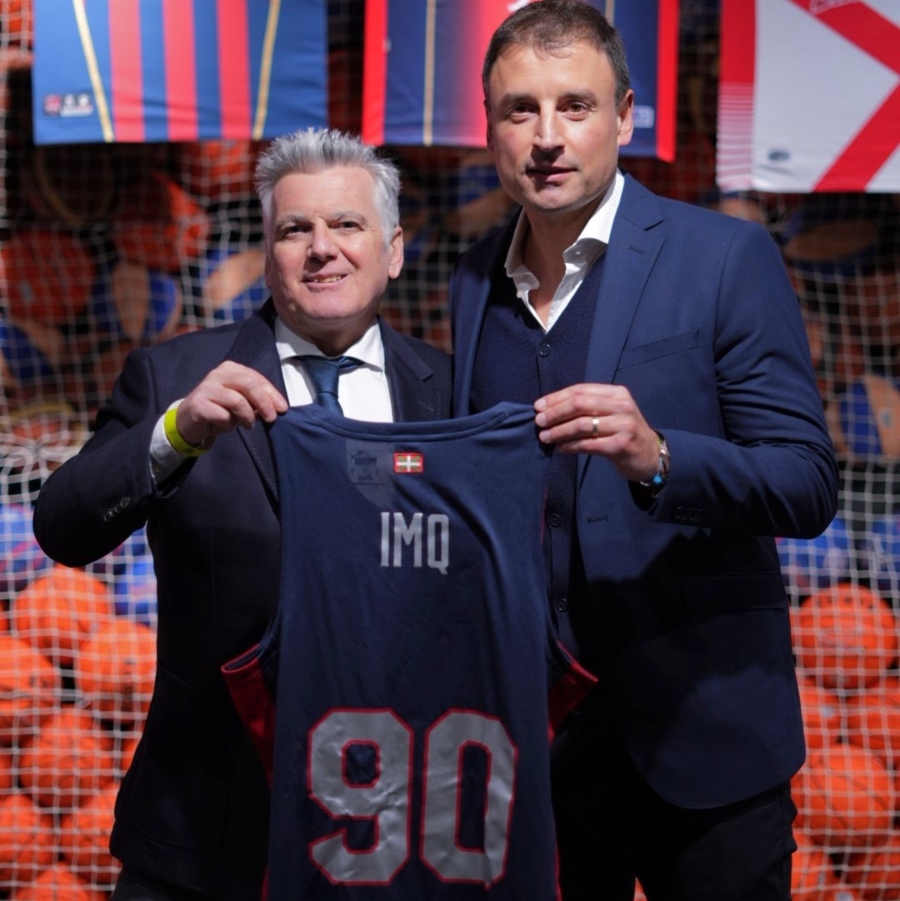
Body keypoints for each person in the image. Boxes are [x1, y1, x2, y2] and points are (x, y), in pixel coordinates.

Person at [448, 3, 839, 900]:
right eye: (520, 110)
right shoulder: (473, 278)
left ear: (625, 117)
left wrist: (661, 456)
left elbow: (807, 480)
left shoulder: (724, 257)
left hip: (703, 739)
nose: (547, 137)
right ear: (492, 128)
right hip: (542, 747)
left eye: (575, 107)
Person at [33, 127, 451, 901]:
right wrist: (175, 433)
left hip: (394, 825)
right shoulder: (179, 375)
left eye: (347, 226)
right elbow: (63, 525)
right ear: (269, 254)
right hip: (206, 827)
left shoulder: (451, 393)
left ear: (393, 250)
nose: (321, 248)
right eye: (296, 229)